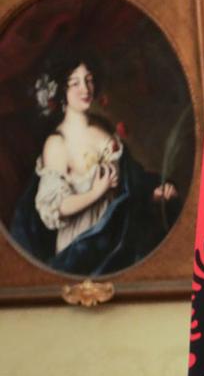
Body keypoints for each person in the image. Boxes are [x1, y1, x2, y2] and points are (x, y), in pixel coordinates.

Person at [9, 53, 180, 275]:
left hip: (119, 235)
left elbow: (129, 183)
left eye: (88, 80)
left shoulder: (103, 127)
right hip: (83, 246)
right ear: (61, 90)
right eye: (75, 83)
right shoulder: (57, 143)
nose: (85, 89)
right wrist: (95, 193)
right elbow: (56, 207)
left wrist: (153, 193)